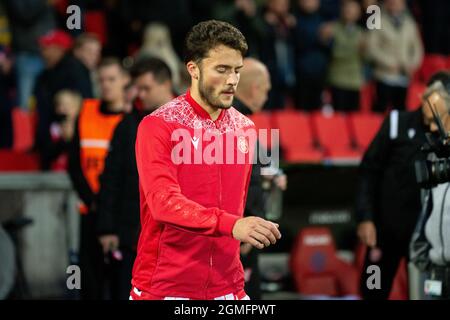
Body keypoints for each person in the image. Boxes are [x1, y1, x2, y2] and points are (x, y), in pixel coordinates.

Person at [129, 20, 281, 301]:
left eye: (237, 70)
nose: (232, 80)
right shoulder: (158, 126)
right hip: (165, 288)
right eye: (221, 70)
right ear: (193, 70)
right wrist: (232, 225)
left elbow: (242, 197)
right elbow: (162, 203)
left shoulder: (245, 128)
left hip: (229, 287)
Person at [355, 72, 449, 300]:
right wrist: (365, 217)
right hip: (385, 233)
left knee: (428, 293)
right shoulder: (397, 122)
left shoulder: (445, 136)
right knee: (373, 289)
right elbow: (368, 170)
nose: (432, 120)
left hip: (427, 239)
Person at [96, 57, 174, 300]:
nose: (140, 94)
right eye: (138, 88)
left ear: (166, 84)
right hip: (136, 235)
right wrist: (107, 227)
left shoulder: (193, 122)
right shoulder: (129, 126)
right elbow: (111, 179)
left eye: (146, 88)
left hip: (181, 236)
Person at [68, 57, 129, 300]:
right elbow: (74, 164)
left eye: (111, 79)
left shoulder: (132, 119)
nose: (105, 85)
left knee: (120, 283)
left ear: (125, 81)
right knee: (90, 282)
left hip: (119, 213)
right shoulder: (86, 112)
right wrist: (92, 200)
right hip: (90, 210)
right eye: (101, 80)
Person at [234, 57, 287, 299]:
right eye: (265, 90)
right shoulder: (236, 123)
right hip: (241, 233)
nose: (266, 97)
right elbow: (244, 184)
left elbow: (264, 163)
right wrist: (248, 229)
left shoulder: (241, 122)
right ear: (255, 89)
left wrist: (274, 172)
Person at [410, 71, 450, 300]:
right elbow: (428, 211)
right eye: (428, 122)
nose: (433, 129)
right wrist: (421, 253)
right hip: (435, 271)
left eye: (437, 120)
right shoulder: (436, 156)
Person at [366, 0, 423, 112]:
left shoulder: (410, 23)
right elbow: (371, 47)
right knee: (380, 108)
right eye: (392, 2)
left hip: (403, 75)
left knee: (401, 110)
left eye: (398, 2)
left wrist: (411, 65)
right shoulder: (377, 20)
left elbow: (417, 48)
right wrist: (388, 63)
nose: (395, 4)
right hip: (384, 75)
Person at [322, 0, 365, 111]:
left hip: (354, 81)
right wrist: (354, 50)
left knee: (354, 116)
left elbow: (366, 57)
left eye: (352, 9)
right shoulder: (332, 29)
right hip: (337, 79)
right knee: (338, 117)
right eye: (346, 8)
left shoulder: (361, 32)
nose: (349, 11)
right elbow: (335, 52)